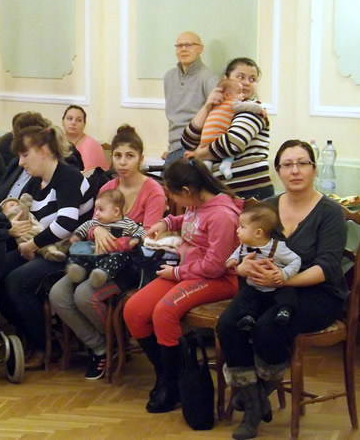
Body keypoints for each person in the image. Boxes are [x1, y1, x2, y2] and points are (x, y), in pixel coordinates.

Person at [216, 140, 347, 440]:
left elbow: (326, 267)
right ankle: (255, 400)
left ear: (314, 169)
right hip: (265, 287)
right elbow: (245, 250)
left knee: (268, 327)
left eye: (302, 163)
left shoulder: (330, 212)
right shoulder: (268, 208)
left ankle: (254, 402)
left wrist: (283, 280)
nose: (295, 170)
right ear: (278, 171)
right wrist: (242, 268)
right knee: (229, 324)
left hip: (318, 292)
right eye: (287, 165)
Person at [123, 159, 242, 413]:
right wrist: (166, 223)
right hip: (189, 273)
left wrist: (176, 272)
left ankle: (171, 383)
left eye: (173, 194)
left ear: (187, 191)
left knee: (164, 312)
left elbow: (215, 267)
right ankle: (168, 374)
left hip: (218, 280)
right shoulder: (197, 202)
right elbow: (188, 220)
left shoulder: (222, 215)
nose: (173, 200)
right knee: (133, 310)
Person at [49, 125, 166, 380]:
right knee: (58, 293)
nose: (122, 162)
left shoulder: (153, 191)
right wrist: (98, 231)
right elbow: (94, 223)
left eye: (129, 156)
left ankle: (117, 341)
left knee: (84, 295)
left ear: (140, 158)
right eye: (118, 155)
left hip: (131, 264)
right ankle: (102, 347)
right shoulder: (108, 186)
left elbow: (148, 237)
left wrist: (112, 239)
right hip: (96, 257)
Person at [0, 125, 94, 370]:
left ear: (43, 151)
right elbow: (23, 217)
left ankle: (43, 347)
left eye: (25, 155)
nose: (20, 162)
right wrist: (13, 228)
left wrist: (31, 244)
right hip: (42, 248)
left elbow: (66, 224)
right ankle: (29, 336)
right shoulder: (34, 183)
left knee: (17, 281)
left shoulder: (68, 176)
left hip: (70, 252)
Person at [182, 57, 274, 200]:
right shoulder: (218, 109)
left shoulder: (254, 108)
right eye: (241, 77)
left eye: (252, 79)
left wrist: (198, 154)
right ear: (226, 79)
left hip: (251, 192)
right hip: (223, 193)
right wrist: (207, 106)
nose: (246, 83)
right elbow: (188, 141)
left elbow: (232, 144)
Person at [227, 202, 301, 332]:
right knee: (245, 296)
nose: (237, 230)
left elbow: (296, 260)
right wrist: (233, 262)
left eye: (242, 227)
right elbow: (235, 255)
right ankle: (248, 317)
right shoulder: (243, 246)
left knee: (287, 293)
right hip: (255, 286)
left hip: (276, 287)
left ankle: (285, 311)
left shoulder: (277, 248)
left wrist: (284, 274)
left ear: (258, 233)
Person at [66, 189, 146, 288]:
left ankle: (101, 275)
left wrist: (135, 238)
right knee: (78, 252)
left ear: (116, 211)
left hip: (113, 255)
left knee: (119, 258)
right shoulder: (96, 221)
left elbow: (142, 231)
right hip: (95, 252)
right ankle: (78, 270)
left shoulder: (128, 224)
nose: (97, 213)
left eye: (101, 210)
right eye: (96, 209)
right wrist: (77, 235)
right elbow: (85, 226)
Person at [163, 32, 219, 167]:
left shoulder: (209, 78)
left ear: (200, 49)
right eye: (179, 45)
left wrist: (200, 151)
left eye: (188, 45)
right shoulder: (169, 77)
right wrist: (170, 150)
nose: (183, 49)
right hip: (174, 148)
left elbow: (216, 118)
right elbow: (172, 118)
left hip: (194, 149)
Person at [196, 79, 263, 179]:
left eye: (252, 79)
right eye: (239, 92)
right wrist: (260, 109)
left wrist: (197, 154)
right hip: (217, 137)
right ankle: (225, 166)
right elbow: (246, 106)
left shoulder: (215, 106)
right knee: (229, 153)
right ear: (227, 95)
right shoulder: (232, 103)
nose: (242, 95)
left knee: (207, 160)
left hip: (204, 140)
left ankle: (206, 171)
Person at [0, 193, 70, 262]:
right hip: (30, 236)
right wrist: (24, 200)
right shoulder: (16, 213)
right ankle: (54, 252)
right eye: (12, 205)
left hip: (33, 238)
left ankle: (57, 250)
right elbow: (24, 205)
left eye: (17, 203)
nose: (17, 205)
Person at [62, 105, 109, 172]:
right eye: (69, 118)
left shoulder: (92, 145)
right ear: (63, 122)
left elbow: (88, 174)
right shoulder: (56, 141)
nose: (73, 123)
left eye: (79, 120)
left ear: (84, 124)